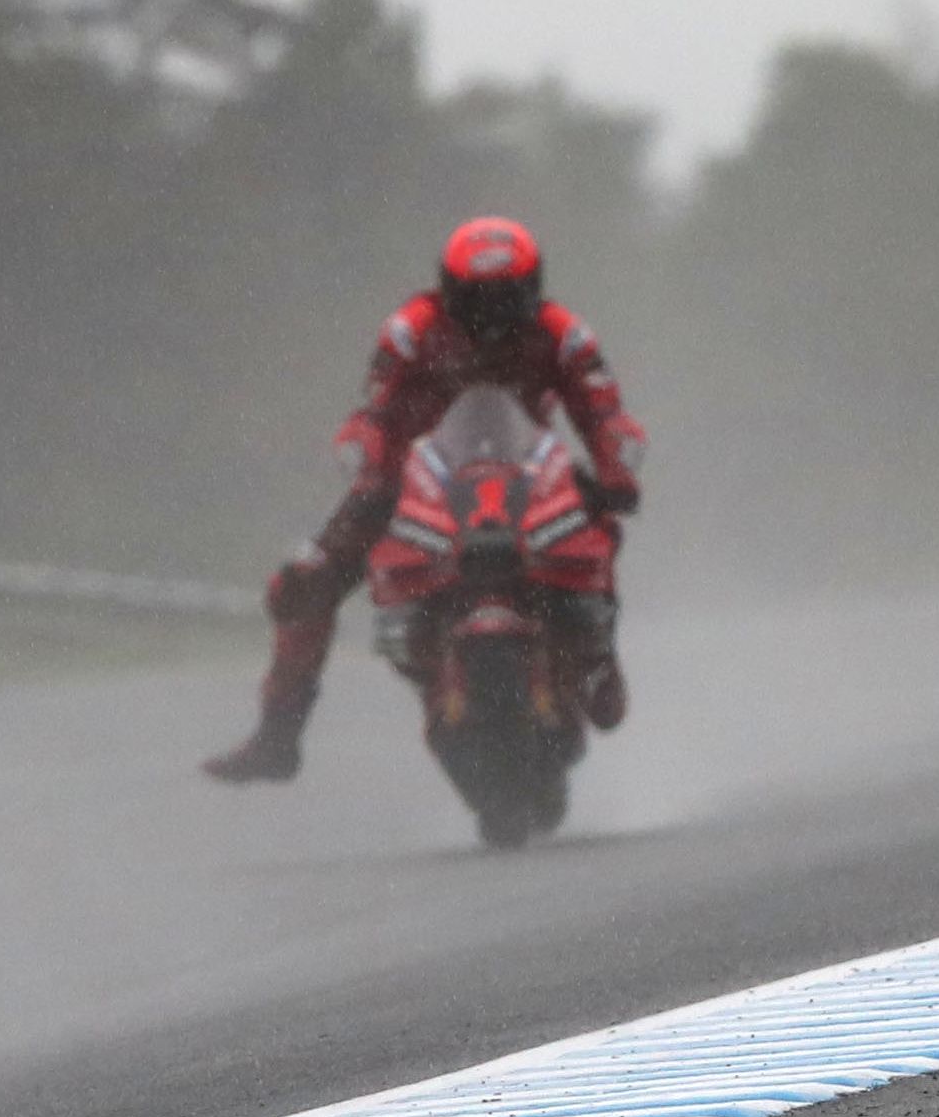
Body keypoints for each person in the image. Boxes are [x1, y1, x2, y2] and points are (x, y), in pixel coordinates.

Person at [204, 216, 648, 784]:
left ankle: (597, 658)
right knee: (305, 582)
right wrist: (369, 461)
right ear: (448, 291)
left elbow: (603, 410)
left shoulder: (565, 335)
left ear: (533, 292)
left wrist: (615, 470)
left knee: (601, 526)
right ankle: (277, 737)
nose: (491, 321)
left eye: (506, 301)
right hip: (415, 480)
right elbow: (373, 411)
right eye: (476, 303)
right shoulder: (410, 332)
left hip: (528, 475)